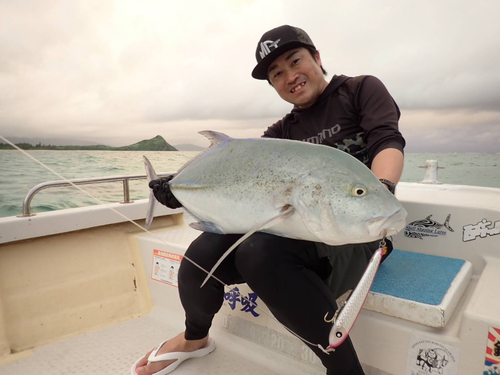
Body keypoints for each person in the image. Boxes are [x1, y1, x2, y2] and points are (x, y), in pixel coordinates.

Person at [133, 25, 405, 375]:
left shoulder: (359, 90)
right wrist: (179, 187)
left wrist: (380, 191)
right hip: (299, 232)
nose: (290, 76)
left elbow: (387, 141)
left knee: (257, 253)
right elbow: (234, 169)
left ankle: (346, 371)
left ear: (317, 58)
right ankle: (195, 338)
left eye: (296, 61)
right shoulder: (281, 132)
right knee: (201, 256)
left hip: (355, 232)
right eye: (277, 74)